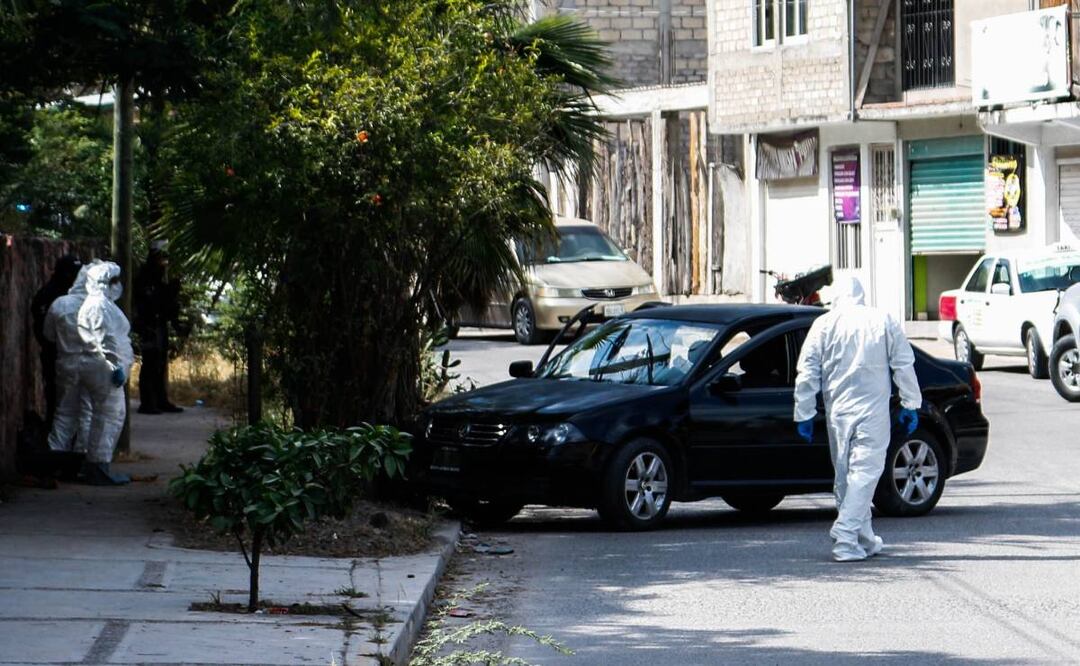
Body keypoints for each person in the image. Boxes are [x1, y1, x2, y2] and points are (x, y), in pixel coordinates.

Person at [792, 277, 922, 562]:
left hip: (838, 412)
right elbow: (903, 363)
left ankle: (861, 539)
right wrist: (911, 402)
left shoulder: (823, 325)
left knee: (846, 477)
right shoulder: (883, 320)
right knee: (866, 472)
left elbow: (808, 371)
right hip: (872, 411)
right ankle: (846, 534)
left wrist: (804, 412)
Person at [46, 260, 134, 485]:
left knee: (67, 414)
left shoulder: (64, 304)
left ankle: (57, 462)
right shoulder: (98, 305)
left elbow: (48, 335)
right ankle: (93, 464)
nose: (119, 285)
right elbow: (106, 339)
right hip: (100, 368)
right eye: (115, 280)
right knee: (106, 416)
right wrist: (116, 367)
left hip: (70, 364)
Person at [31, 255, 83, 426]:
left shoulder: (74, 295)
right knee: (58, 403)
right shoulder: (49, 295)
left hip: (75, 357)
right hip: (55, 356)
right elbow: (44, 332)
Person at [134, 240, 183, 414]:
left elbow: (164, 302)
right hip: (149, 325)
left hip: (159, 324)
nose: (164, 264)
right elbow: (149, 302)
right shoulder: (145, 278)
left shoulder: (158, 278)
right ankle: (147, 402)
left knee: (160, 363)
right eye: (161, 259)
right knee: (150, 363)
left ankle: (160, 400)